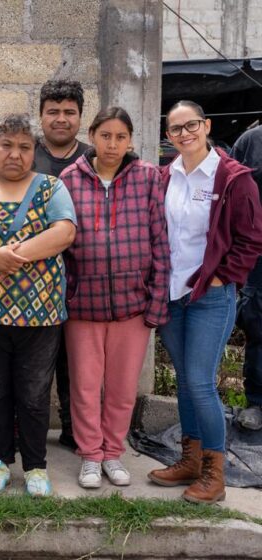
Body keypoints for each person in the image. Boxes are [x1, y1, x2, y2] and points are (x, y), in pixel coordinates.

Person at [0, 114, 77, 497]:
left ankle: (35, 467)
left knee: (35, 393)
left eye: (24, 147)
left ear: (34, 152)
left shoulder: (51, 188)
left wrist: (9, 257)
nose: (15, 154)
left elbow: (64, 232)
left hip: (41, 316)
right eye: (7, 145)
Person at [148, 101, 262, 504]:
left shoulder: (232, 178)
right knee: (185, 380)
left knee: (199, 381)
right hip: (172, 296)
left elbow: (251, 239)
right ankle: (191, 460)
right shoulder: (166, 176)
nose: (184, 134)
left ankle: (215, 473)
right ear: (168, 136)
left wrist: (219, 277)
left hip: (210, 297)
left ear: (207, 126)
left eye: (191, 125)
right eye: (175, 129)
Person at [59, 107, 170, 489]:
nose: (112, 144)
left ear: (130, 140)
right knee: (85, 387)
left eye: (121, 137)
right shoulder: (69, 179)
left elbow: (160, 241)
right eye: (105, 135)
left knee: (122, 388)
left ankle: (112, 453)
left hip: (132, 306)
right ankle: (90, 455)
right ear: (92, 135)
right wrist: (66, 295)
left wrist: (156, 301)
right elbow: (60, 245)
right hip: (83, 306)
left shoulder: (148, 177)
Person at [34, 79, 91, 450]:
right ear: (41, 115)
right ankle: (26, 431)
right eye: (53, 111)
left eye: (69, 112)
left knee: (76, 364)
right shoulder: (26, 154)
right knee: (32, 364)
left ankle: (74, 430)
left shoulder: (93, 157)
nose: (61, 118)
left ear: (80, 117)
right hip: (31, 278)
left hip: (82, 278)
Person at [230, 126, 262, 431]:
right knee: (258, 324)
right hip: (258, 254)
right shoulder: (252, 141)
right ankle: (257, 402)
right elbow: (228, 193)